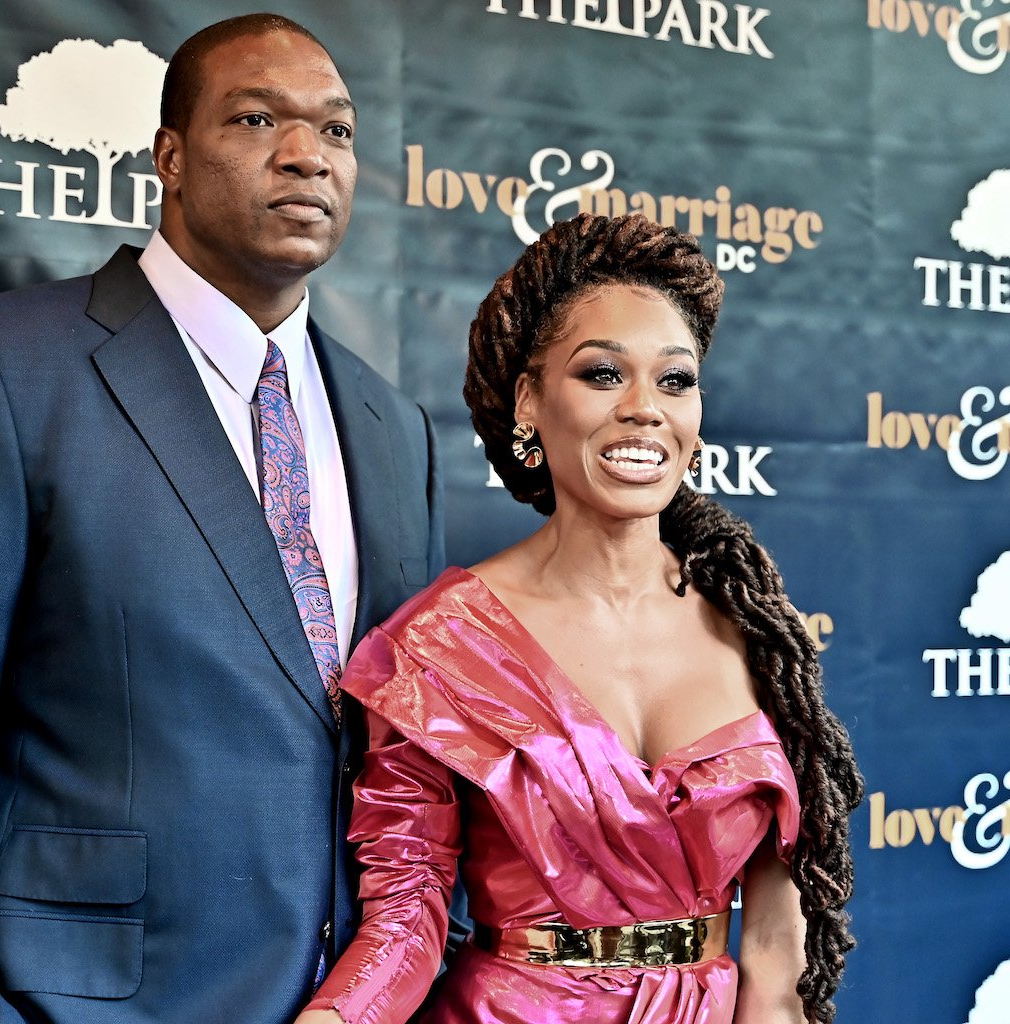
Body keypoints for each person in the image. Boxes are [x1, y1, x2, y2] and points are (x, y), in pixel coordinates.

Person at [0, 14, 443, 1024]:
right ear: (170, 159)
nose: (305, 156)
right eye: (254, 117)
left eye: (336, 130)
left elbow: (407, 769)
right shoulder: (5, 369)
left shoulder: (391, 427)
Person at [296, 213, 862, 1024]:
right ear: (529, 398)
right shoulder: (442, 646)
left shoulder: (757, 627)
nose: (644, 410)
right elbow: (408, 913)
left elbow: (775, 945)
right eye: (602, 374)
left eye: (675, 381)